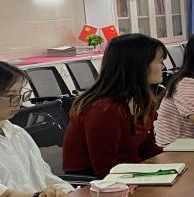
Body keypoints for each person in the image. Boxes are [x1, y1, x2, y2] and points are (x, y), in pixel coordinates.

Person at [0, 58, 73, 197]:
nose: (20, 102)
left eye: (20, 95)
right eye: (11, 96)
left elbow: (46, 177)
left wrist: (67, 194)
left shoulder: (16, 132)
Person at [63, 33, 166, 178]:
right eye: (160, 61)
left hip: (131, 173)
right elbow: (105, 170)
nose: (163, 67)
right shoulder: (104, 109)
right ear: (139, 65)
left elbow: (148, 149)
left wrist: (172, 167)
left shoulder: (142, 100)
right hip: (97, 183)